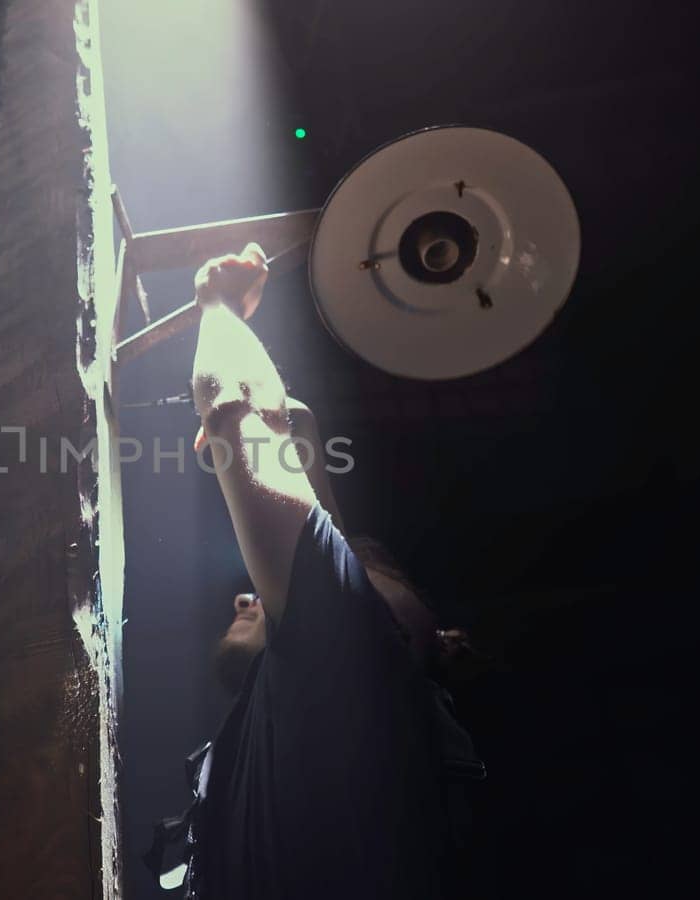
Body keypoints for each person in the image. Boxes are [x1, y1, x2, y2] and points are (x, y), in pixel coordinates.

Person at [143, 244, 485, 898]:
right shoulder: (362, 710)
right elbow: (296, 471)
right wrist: (277, 424)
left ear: (431, 633)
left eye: (362, 568)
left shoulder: (361, 665)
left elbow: (231, 408)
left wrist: (217, 299)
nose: (248, 597)